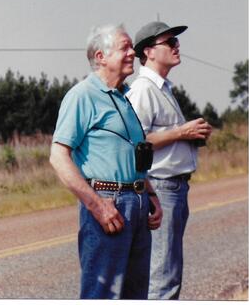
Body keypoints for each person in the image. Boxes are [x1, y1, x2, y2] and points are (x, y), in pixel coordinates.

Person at [49, 23, 162, 299]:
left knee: (135, 295)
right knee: (103, 295)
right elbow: (58, 156)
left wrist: (150, 193)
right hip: (109, 203)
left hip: (136, 205)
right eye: (124, 48)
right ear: (100, 56)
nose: (132, 54)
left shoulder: (124, 98)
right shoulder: (82, 96)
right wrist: (96, 204)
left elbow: (128, 154)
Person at [127, 21, 212, 299]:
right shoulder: (144, 90)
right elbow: (134, 141)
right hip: (161, 187)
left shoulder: (163, 88)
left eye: (176, 41)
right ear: (149, 52)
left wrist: (191, 135)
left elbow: (160, 135)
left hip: (173, 187)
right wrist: (180, 131)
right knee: (163, 277)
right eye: (170, 42)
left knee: (168, 273)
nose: (177, 46)